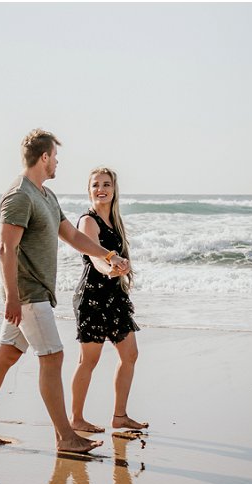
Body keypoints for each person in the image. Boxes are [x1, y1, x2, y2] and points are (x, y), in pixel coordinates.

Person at [0, 130, 129, 453]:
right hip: (28, 294)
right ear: (43, 158)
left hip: (33, 294)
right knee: (53, 357)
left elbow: (70, 235)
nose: (57, 163)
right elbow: (5, 249)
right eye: (55, 156)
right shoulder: (19, 195)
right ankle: (65, 437)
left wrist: (107, 254)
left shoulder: (46, 196)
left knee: (6, 356)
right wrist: (12, 297)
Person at [70, 167, 147, 433]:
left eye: (106, 184)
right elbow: (95, 259)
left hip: (115, 297)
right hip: (92, 296)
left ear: (114, 190)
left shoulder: (116, 221)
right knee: (89, 361)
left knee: (130, 354)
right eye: (95, 185)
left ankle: (120, 416)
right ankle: (77, 419)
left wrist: (119, 272)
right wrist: (111, 269)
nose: (101, 189)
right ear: (88, 190)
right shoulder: (88, 221)